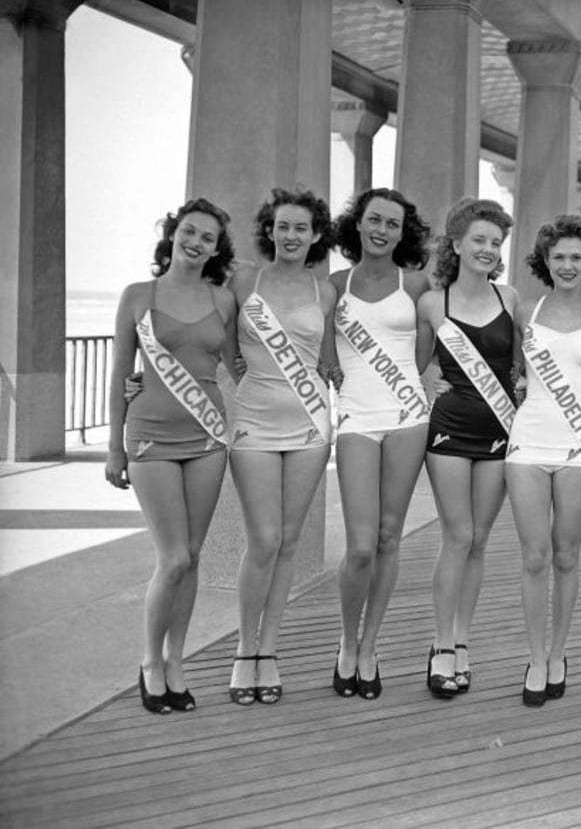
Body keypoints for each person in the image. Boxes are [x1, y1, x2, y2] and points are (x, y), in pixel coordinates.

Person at [106, 198, 238, 714]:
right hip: (150, 437)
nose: (196, 242)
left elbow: (239, 366)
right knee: (174, 557)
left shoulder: (223, 300)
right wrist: (114, 446)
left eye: (208, 237)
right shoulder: (138, 295)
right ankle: (149, 662)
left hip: (206, 437)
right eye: (189, 231)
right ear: (172, 234)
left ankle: (177, 660)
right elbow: (120, 374)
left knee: (195, 556)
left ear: (215, 249)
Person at [228, 187, 337, 705]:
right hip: (252, 422)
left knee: (289, 541)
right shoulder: (244, 280)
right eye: (282, 226)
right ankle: (243, 651)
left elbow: (333, 361)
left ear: (316, 235)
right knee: (264, 539)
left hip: (310, 427)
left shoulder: (325, 293)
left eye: (301, 228)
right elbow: (217, 343)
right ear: (269, 231)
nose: (290, 236)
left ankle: (268, 652)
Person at [506, 215, 581, 707]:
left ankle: (559, 652)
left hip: (580, 446)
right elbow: (512, 369)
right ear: (544, 262)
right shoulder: (525, 310)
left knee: (567, 555)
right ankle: (535, 657)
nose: (567, 265)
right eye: (559, 257)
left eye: (577, 257)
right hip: (528, 441)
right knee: (534, 557)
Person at [328, 188, 432, 700]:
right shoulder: (333, 284)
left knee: (391, 535)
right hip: (355, 420)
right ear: (358, 223)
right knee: (361, 545)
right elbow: (312, 342)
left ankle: (369, 648)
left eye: (393, 223)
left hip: (408, 417)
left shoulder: (415, 285)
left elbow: (425, 354)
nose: (382, 230)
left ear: (402, 232)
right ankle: (346, 642)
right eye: (374, 219)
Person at [415, 198, 518, 697]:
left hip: (500, 432)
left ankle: (463, 641)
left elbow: (522, 368)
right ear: (455, 243)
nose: (487, 249)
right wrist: (428, 382)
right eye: (478, 239)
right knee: (456, 536)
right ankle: (440, 645)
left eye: (495, 243)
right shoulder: (433, 304)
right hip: (450, 432)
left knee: (479, 540)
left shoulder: (511, 299)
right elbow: (412, 366)